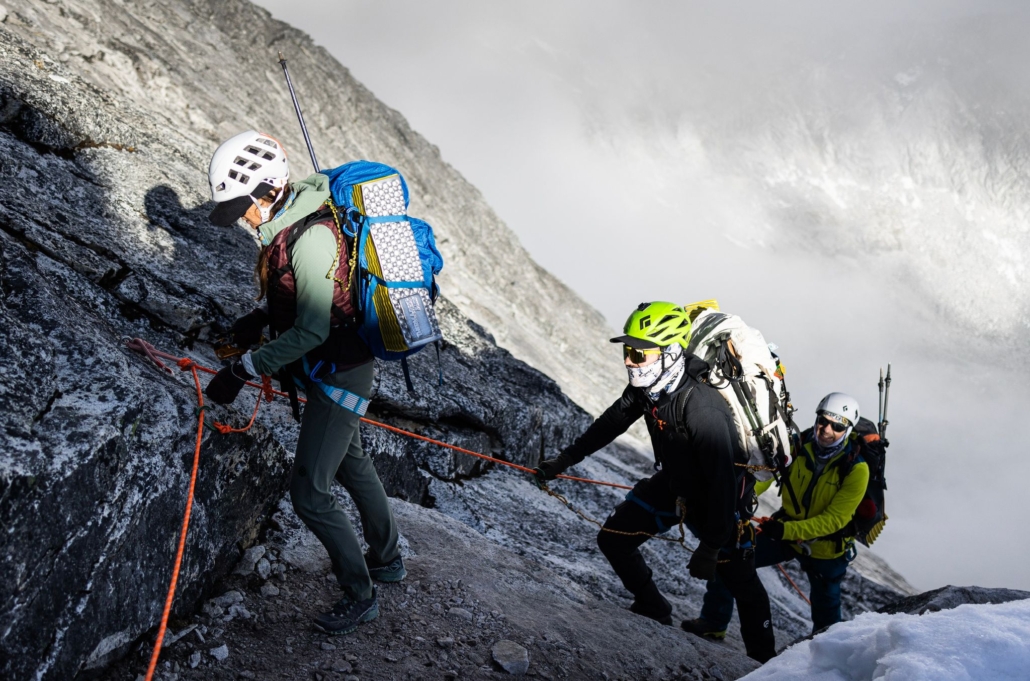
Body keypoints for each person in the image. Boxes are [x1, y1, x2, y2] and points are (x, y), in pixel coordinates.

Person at [203, 130, 405, 635]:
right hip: (336, 370)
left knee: (310, 492)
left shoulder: (310, 236)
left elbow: (314, 326)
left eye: (243, 206)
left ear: (268, 191)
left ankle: (361, 593)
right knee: (354, 464)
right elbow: (302, 295)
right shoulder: (290, 227)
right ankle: (388, 558)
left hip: (339, 373)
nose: (242, 218)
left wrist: (244, 368)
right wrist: (257, 316)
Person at [534, 302, 776, 663]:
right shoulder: (650, 387)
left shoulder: (703, 409)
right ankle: (653, 605)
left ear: (671, 353)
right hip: (675, 485)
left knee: (742, 583)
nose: (630, 360)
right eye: (627, 351)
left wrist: (710, 547)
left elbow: (724, 483)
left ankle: (766, 664)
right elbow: (612, 421)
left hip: (716, 502)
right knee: (613, 540)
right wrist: (566, 459)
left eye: (638, 353)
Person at [682, 392, 870, 638]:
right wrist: (741, 499)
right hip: (786, 530)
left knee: (826, 609)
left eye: (837, 426)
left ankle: (826, 660)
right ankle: (713, 622)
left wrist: (785, 531)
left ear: (847, 429)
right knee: (730, 560)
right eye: (823, 421)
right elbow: (765, 477)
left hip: (826, 546)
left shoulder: (857, 469)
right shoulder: (798, 446)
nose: (826, 429)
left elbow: (835, 519)